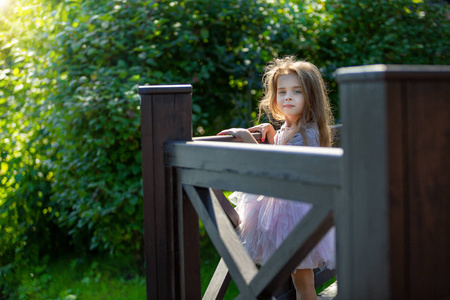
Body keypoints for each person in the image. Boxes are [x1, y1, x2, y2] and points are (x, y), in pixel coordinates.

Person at [217, 56, 335, 300]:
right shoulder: (290, 129)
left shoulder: (307, 134)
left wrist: (247, 139)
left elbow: (275, 164)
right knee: (296, 277)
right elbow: (281, 154)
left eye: (296, 92)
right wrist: (271, 133)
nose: (288, 97)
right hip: (287, 214)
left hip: (296, 217)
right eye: (282, 92)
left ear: (311, 97)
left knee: (303, 282)